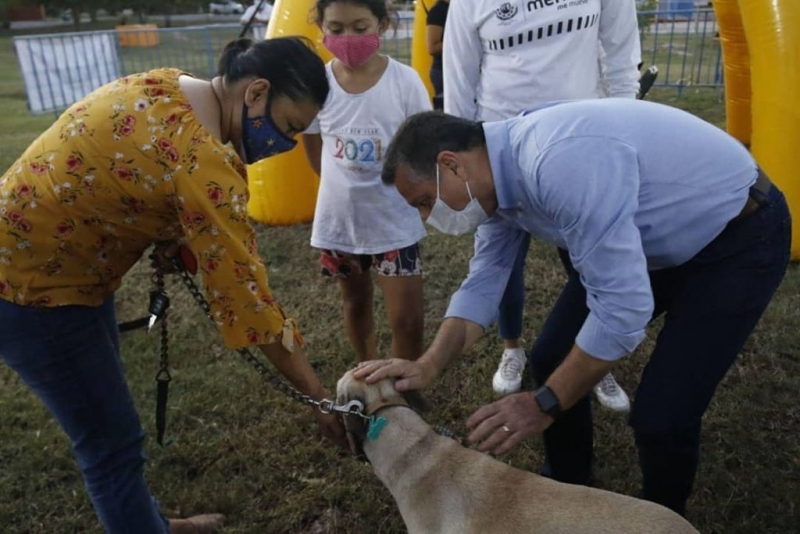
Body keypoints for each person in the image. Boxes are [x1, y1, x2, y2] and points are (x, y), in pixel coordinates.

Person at [356, 102, 791, 516]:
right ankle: (568, 486)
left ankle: (663, 517)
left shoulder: (558, 163)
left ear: (452, 164)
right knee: (552, 356)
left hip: (736, 237)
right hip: (648, 239)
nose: (427, 217)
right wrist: (429, 364)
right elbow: (486, 281)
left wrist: (543, 404)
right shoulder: (492, 179)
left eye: (424, 201)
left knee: (663, 417)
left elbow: (622, 311)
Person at [0, 37, 347, 534]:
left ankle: (149, 521)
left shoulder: (169, 84)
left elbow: (134, 173)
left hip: (48, 266)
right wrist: (317, 397)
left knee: (108, 420)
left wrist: (170, 231)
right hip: (34, 292)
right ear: (256, 92)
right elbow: (249, 302)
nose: (283, 144)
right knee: (111, 443)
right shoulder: (204, 165)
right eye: (286, 127)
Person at [444, 0, 642, 410]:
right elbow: (459, 82)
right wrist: (465, 159)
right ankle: (512, 348)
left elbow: (622, 53)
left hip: (581, 148)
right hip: (498, 152)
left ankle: (596, 362)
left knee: (590, 265)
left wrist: (625, 122)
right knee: (500, 263)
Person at [302, 0, 432, 363]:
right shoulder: (319, 84)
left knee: (407, 320)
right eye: (336, 29)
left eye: (360, 28)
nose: (347, 38)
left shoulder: (404, 81)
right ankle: (368, 373)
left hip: (394, 220)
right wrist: (338, 186)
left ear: (383, 25)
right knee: (354, 304)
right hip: (341, 223)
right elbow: (313, 147)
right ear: (321, 27)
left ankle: (402, 392)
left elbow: (421, 143)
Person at [425, 0, 449, 110]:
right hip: (443, 71)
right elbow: (432, 47)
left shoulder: (461, 8)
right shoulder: (438, 11)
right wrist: (460, 42)